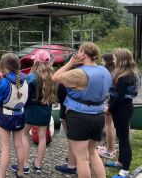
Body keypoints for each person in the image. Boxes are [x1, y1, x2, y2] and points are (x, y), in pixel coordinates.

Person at [52, 42, 112, 178]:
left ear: (83, 53)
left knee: (82, 159)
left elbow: (55, 78)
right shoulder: (104, 71)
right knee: (93, 152)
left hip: (80, 117)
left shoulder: (80, 73)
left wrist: (71, 63)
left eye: (79, 51)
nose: (77, 54)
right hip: (98, 115)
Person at [105, 49, 141, 177]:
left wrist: (109, 109)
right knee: (121, 136)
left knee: (124, 139)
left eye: (114, 58)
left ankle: (124, 171)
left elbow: (120, 98)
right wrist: (110, 105)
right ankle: (120, 162)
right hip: (123, 107)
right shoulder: (127, 73)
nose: (113, 60)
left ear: (121, 60)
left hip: (123, 109)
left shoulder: (126, 76)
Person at [0, 53, 28, 178]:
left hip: (5, 116)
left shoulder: (3, 82)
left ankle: (1, 176)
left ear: (4, 66)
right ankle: (21, 172)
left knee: (5, 149)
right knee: (19, 145)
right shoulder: (25, 80)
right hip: (20, 115)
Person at [20, 50, 56, 174]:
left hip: (31, 110)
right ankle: (38, 165)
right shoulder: (53, 76)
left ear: (36, 61)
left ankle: (25, 165)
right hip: (45, 110)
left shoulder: (32, 76)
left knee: (23, 134)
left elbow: (26, 96)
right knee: (42, 137)